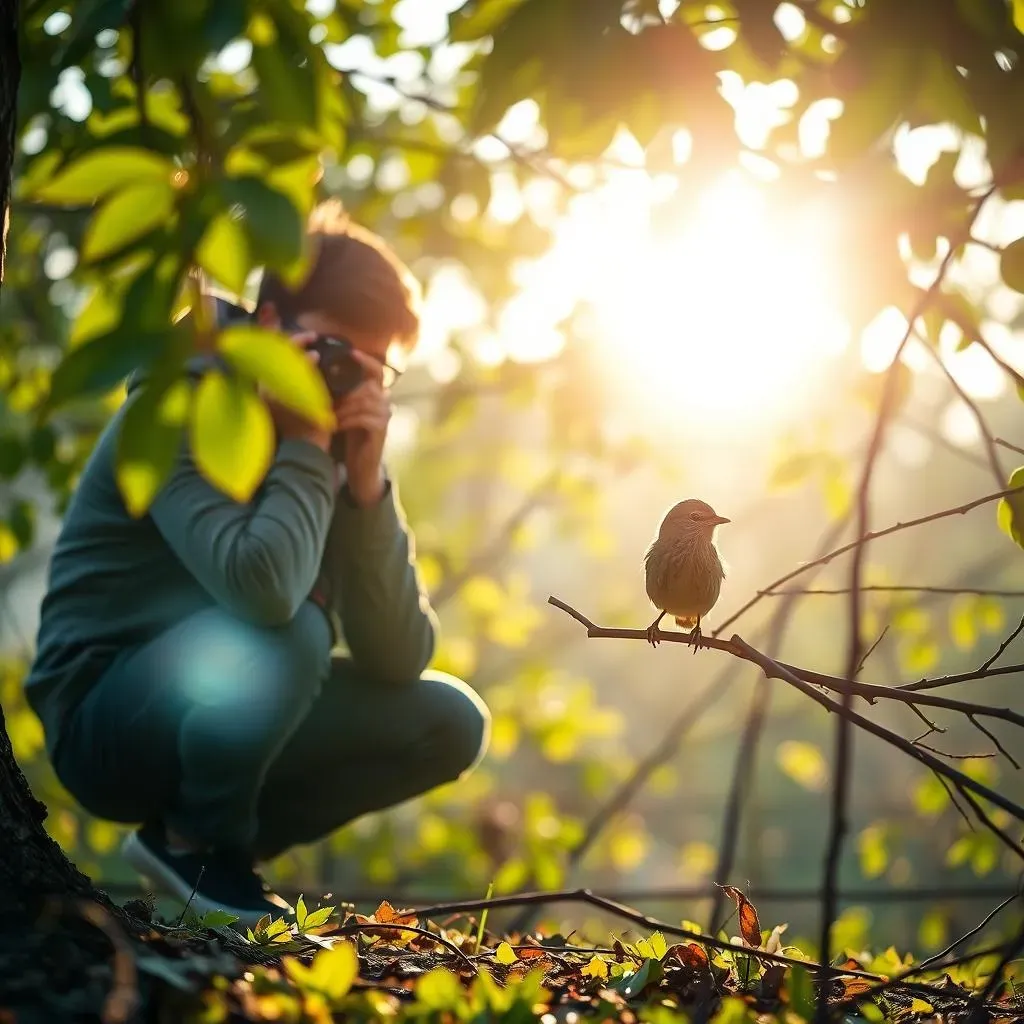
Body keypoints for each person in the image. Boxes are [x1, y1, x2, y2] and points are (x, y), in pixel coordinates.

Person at [23, 202, 491, 925]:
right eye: (331, 354)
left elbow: (400, 658)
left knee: (449, 720)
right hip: (104, 719)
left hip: (223, 694)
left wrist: (366, 491)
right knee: (291, 629)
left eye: (370, 371)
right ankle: (197, 847)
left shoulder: (332, 447)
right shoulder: (190, 399)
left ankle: (218, 858)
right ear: (271, 327)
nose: (340, 385)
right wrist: (306, 447)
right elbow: (267, 593)